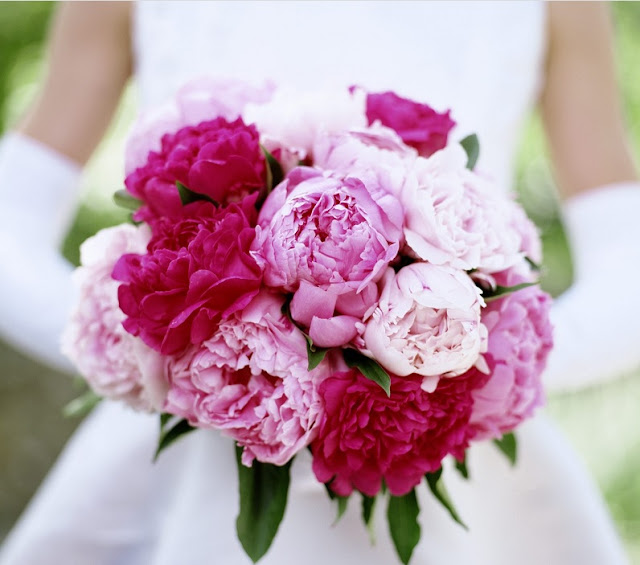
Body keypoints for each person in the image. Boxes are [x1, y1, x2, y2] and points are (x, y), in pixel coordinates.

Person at [0, 2, 638, 563]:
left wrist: (478, 363)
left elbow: (626, 261)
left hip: (442, 439)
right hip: (191, 447)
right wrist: (141, 344)